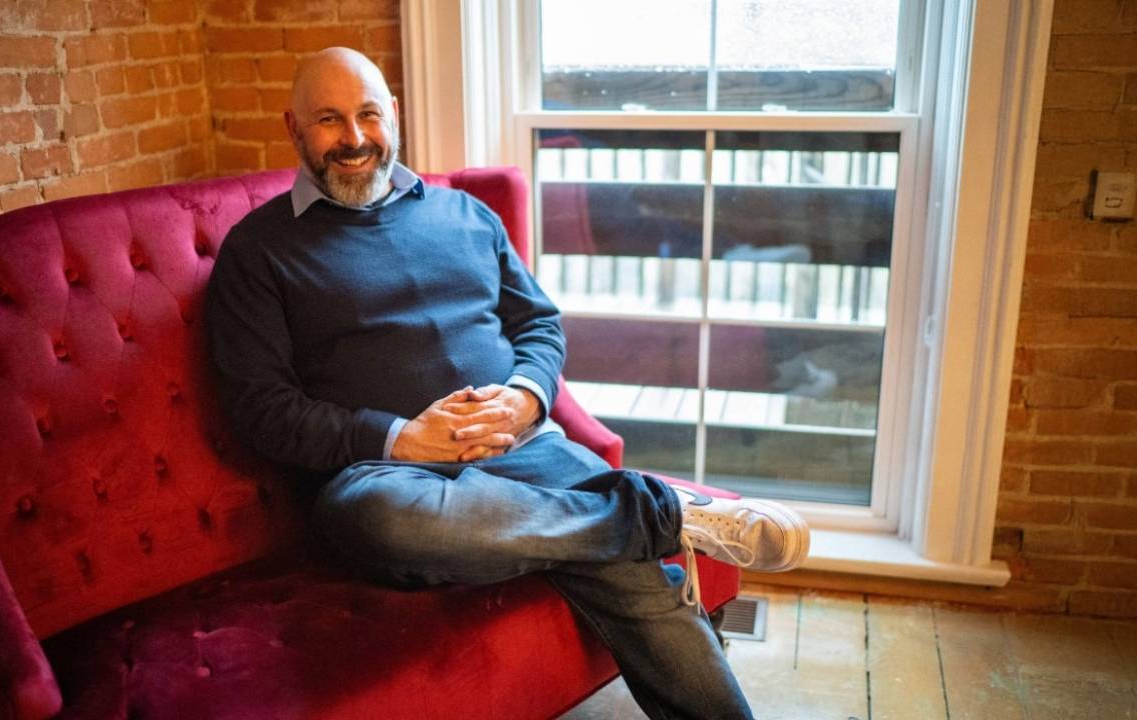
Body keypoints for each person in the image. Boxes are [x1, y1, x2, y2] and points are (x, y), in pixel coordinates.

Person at [205, 47, 809, 720]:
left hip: (523, 447)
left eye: (368, 115)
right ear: (293, 127)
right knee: (384, 523)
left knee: (628, 571)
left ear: (393, 115)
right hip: (384, 478)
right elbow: (261, 409)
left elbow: (539, 325)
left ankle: (638, 526)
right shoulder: (258, 251)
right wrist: (402, 438)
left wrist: (524, 397)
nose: (353, 138)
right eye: (328, 120)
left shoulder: (466, 216)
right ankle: (664, 517)